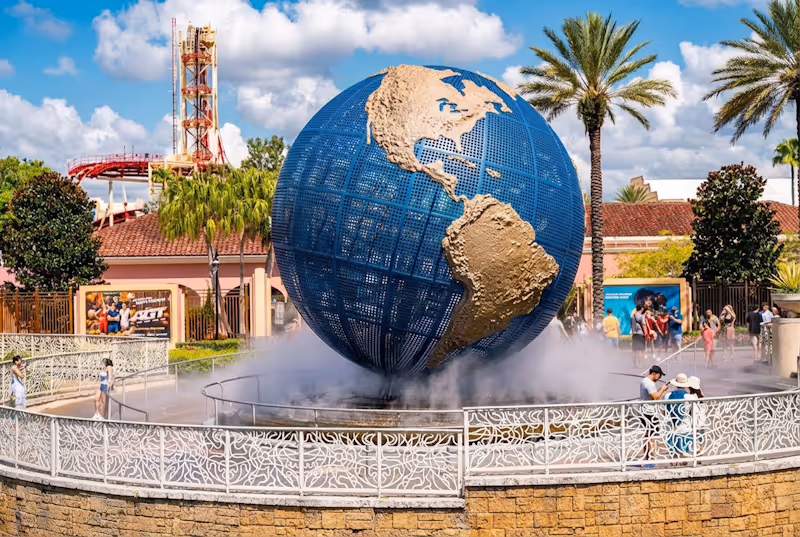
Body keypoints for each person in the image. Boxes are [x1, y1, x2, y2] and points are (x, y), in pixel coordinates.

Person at [640, 365, 670, 462]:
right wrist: (662, 389)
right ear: (654, 374)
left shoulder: (644, 381)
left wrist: (659, 391)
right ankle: (651, 455)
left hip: (645, 410)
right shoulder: (649, 383)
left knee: (648, 434)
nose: (659, 378)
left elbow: (651, 395)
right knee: (651, 435)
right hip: (649, 412)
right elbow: (655, 397)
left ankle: (649, 455)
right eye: (659, 376)